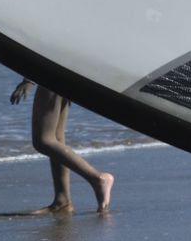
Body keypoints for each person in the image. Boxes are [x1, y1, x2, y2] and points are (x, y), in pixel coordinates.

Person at [10, 78, 113, 213]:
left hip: (51, 74)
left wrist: (29, 80)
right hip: (64, 73)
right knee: (56, 139)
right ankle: (62, 201)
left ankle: (97, 178)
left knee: (43, 141)